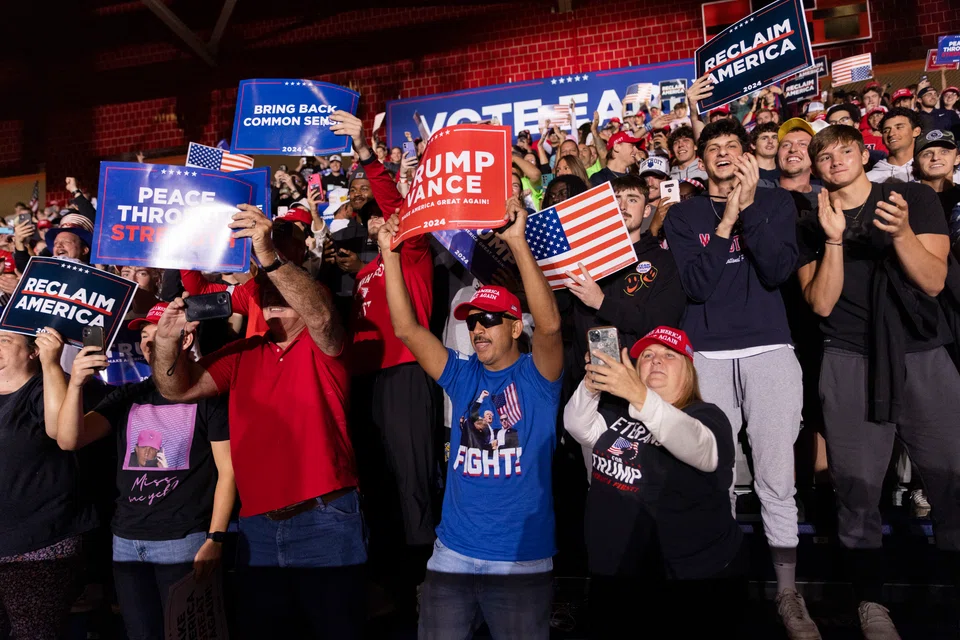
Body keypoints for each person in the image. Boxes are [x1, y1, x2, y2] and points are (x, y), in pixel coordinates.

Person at [150, 204, 365, 638]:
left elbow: (320, 315)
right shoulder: (244, 355)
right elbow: (176, 389)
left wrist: (268, 257)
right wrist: (167, 343)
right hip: (257, 531)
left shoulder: (326, 348)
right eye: (264, 293)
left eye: (282, 292)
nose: (269, 295)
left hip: (324, 522)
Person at [798, 124, 960, 638]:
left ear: (863, 155)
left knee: (952, 482)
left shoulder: (910, 197)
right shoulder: (810, 220)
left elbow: (934, 281)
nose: (835, 160)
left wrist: (903, 235)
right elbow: (821, 303)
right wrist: (833, 240)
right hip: (848, 359)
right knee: (857, 492)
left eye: (845, 149)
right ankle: (871, 605)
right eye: (824, 155)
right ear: (816, 167)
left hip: (921, 354)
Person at [381, 190, 563, 638]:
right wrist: (390, 257)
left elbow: (553, 327)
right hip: (453, 556)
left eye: (490, 320)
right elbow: (406, 329)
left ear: (516, 327)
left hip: (519, 562)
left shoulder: (537, 377)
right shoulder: (462, 376)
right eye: (473, 320)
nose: (478, 328)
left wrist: (517, 242)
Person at [663, 118, 818, 639]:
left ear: (748, 154)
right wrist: (726, 221)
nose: (724, 153)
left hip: (770, 350)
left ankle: (789, 594)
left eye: (733, 145)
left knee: (776, 480)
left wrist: (748, 209)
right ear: (701, 160)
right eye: (715, 147)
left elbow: (776, 270)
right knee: (716, 480)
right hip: (706, 355)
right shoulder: (683, 216)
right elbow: (699, 286)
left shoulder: (775, 204)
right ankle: (721, 585)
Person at [53, 303, 234, 640]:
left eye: (158, 339)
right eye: (145, 342)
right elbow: (69, 439)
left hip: (184, 542)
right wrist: (76, 383)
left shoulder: (207, 395)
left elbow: (228, 471)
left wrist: (215, 538)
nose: (148, 349)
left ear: (184, 339)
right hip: (126, 541)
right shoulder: (129, 394)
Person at [564, 326, 745, 637]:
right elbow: (577, 425)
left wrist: (639, 395)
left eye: (668, 355)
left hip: (687, 583)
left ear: (688, 370)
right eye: (647, 355)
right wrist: (592, 383)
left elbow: (701, 449)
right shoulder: (615, 413)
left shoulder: (707, 416)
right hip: (614, 573)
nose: (656, 360)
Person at [329, 110, 440, 616]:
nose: (378, 216)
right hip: (365, 383)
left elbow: (399, 204)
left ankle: (424, 582)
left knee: (412, 479)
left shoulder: (412, 251)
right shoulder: (368, 270)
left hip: (404, 375)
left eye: (386, 213)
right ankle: (390, 584)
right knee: (374, 481)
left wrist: (368, 154)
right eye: (372, 214)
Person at [0, 328, 97, 639]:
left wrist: (51, 363)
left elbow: (61, 433)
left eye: (4, 340)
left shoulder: (45, 389)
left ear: (33, 351)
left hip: (38, 546)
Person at [562, 175, 685, 386]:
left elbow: (661, 324)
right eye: (615, 198)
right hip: (584, 382)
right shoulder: (583, 260)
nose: (622, 206)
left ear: (647, 211)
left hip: (636, 381)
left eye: (633, 199)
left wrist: (602, 302)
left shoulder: (665, 262)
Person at [913, 129, 960, 257]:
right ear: (915, 164)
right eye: (927, 154)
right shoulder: (904, 200)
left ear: (957, 158)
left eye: (944, 152)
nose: (936, 158)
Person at [867, 108, 922, 183]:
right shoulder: (870, 179)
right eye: (886, 130)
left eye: (899, 127)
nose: (891, 134)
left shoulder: (927, 170)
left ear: (916, 131)